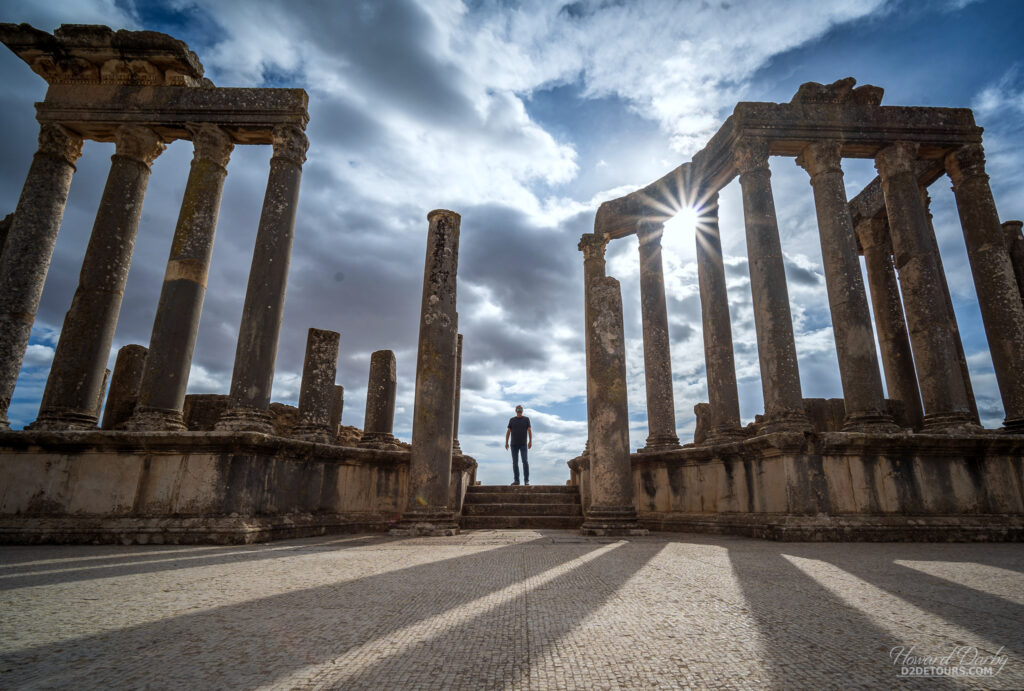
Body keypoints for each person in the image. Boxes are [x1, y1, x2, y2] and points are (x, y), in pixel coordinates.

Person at [504, 404, 532, 486]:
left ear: (522, 411)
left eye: (520, 410)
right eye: (518, 410)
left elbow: (529, 430)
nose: (519, 411)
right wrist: (506, 442)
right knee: (515, 463)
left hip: (523, 444)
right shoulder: (512, 420)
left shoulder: (526, 419)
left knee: (525, 462)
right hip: (513, 444)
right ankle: (517, 481)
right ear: (516, 411)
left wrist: (530, 441)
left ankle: (526, 481)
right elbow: (508, 432)